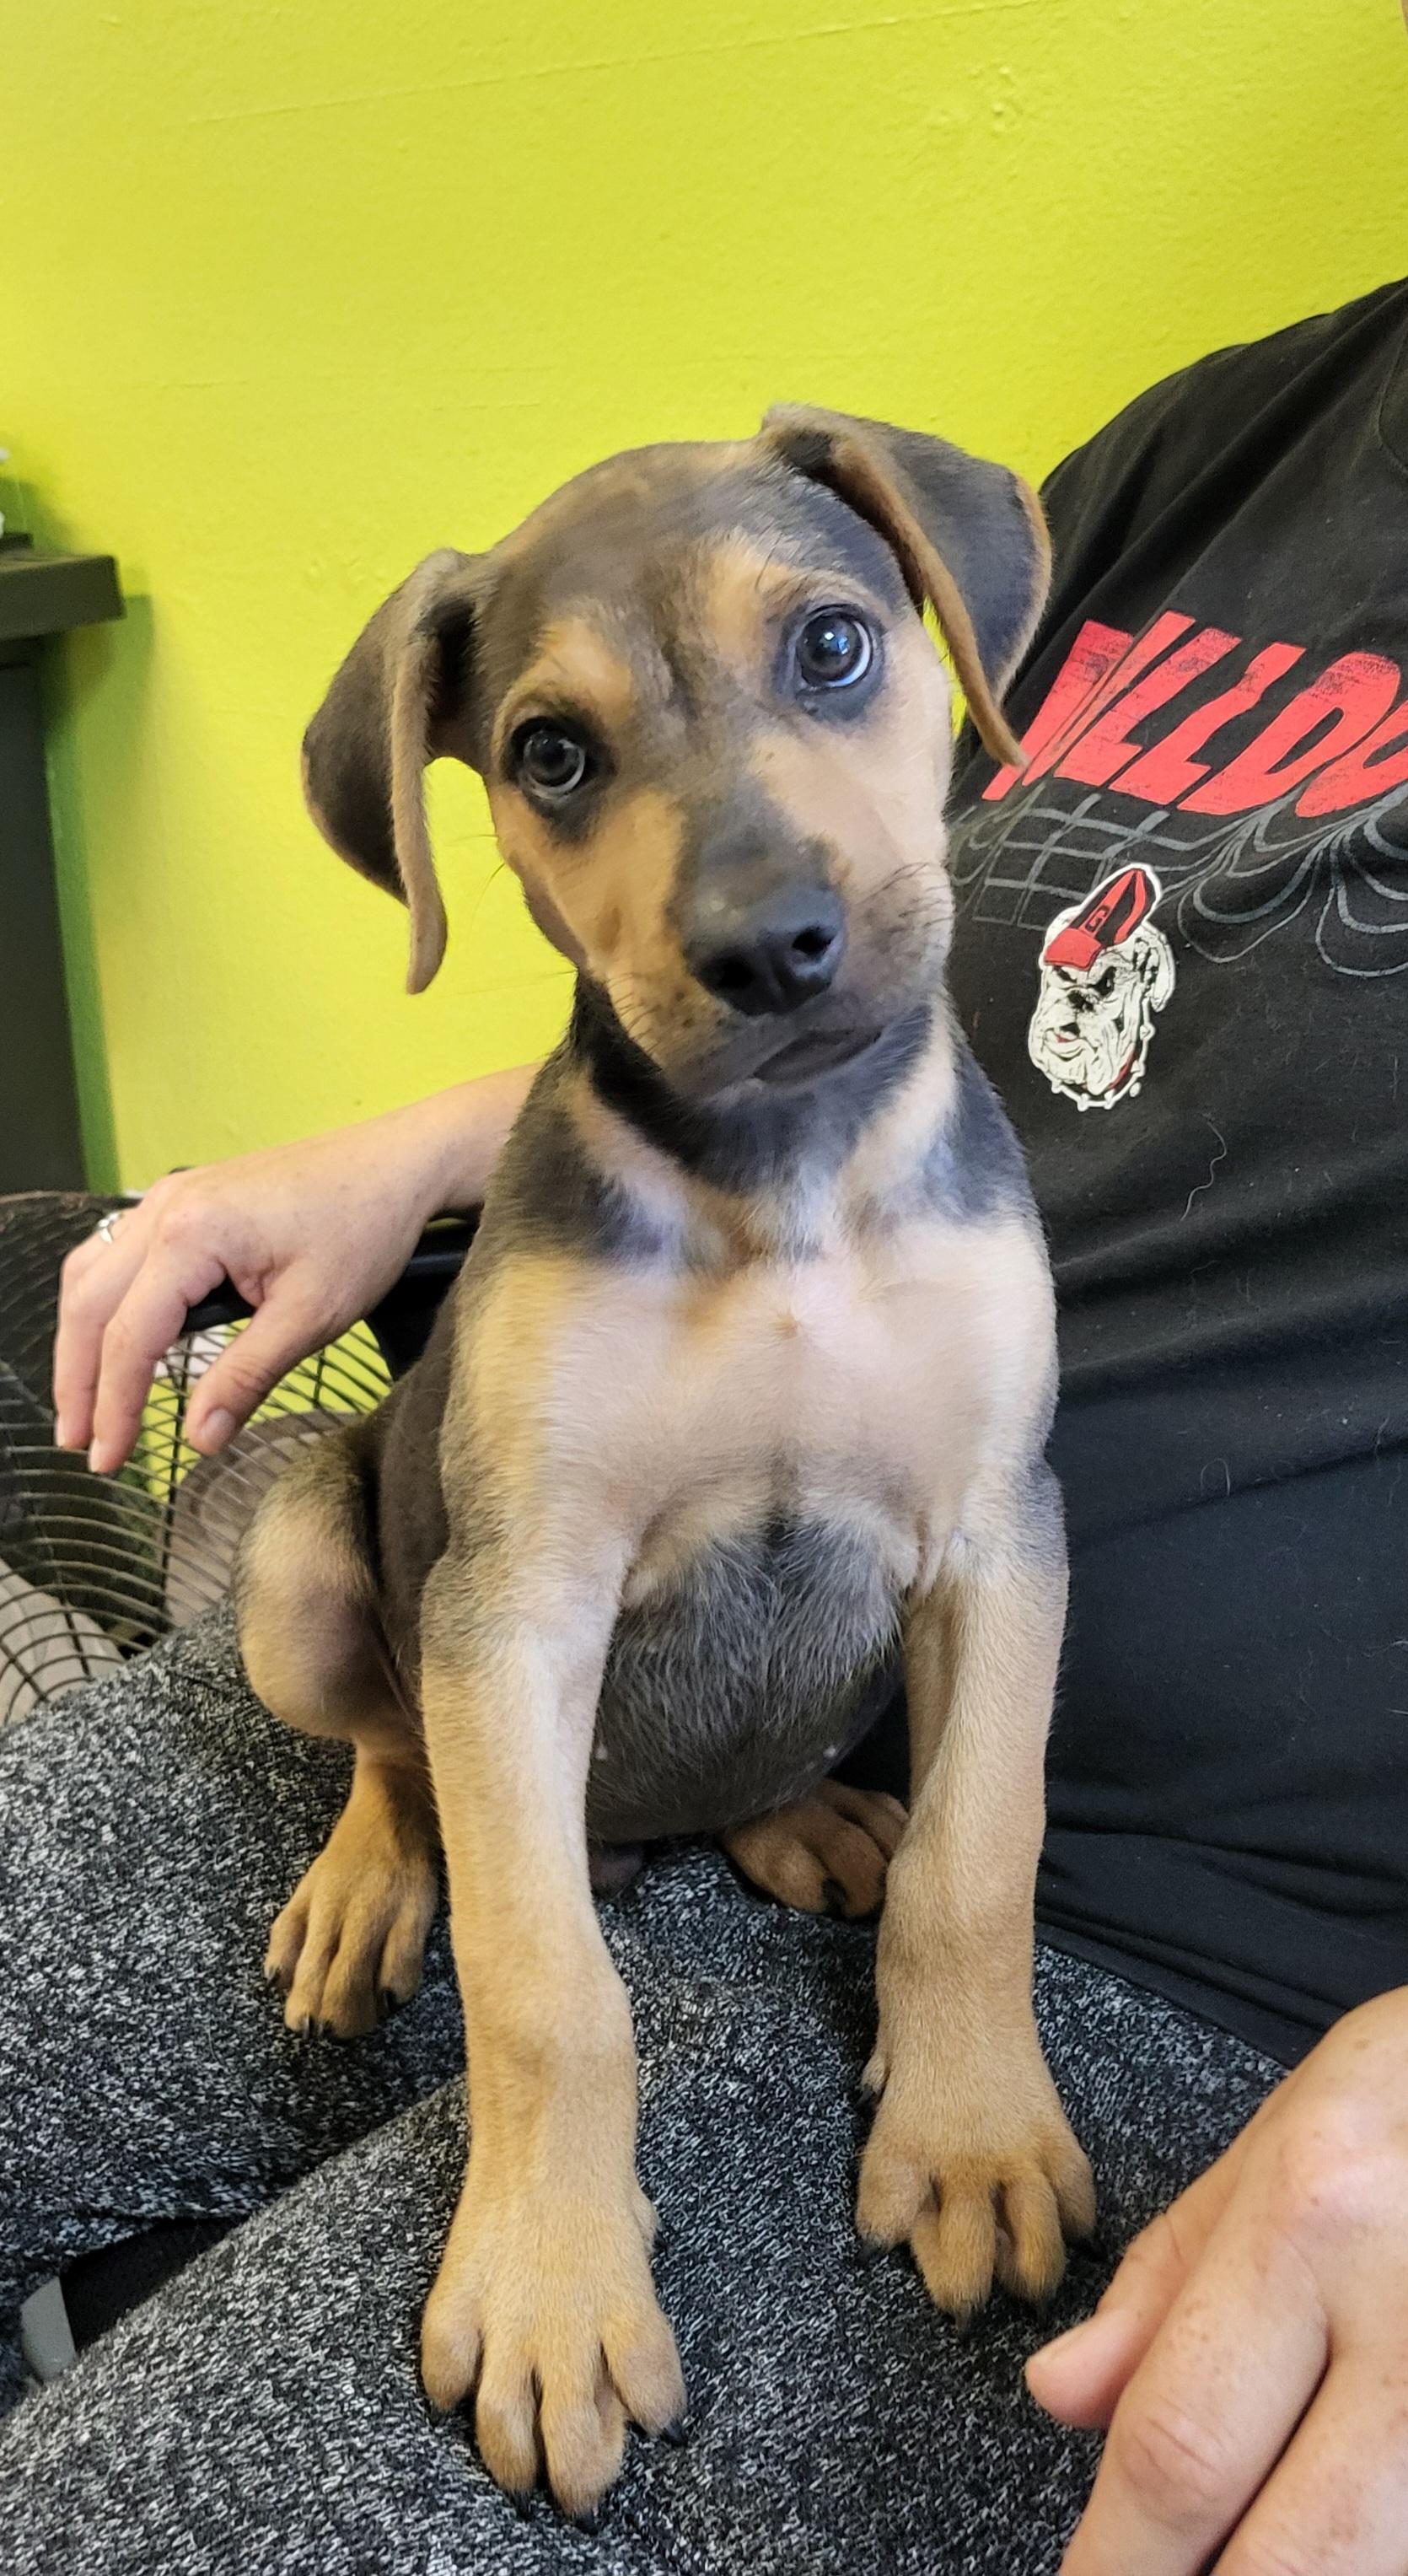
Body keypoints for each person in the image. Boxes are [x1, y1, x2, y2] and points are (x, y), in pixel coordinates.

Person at [4, 264, 1408, 2576]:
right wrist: (424, 1144)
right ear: (471, 809)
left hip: (1189, 1948)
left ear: (922, 617)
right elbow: (506, 1567)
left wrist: (963, 1973)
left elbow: (989, 1525)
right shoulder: (1230, 439)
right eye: (561, 759)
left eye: (829, 661)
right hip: (531, 1706)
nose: (749, 884)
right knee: (299, 1616)